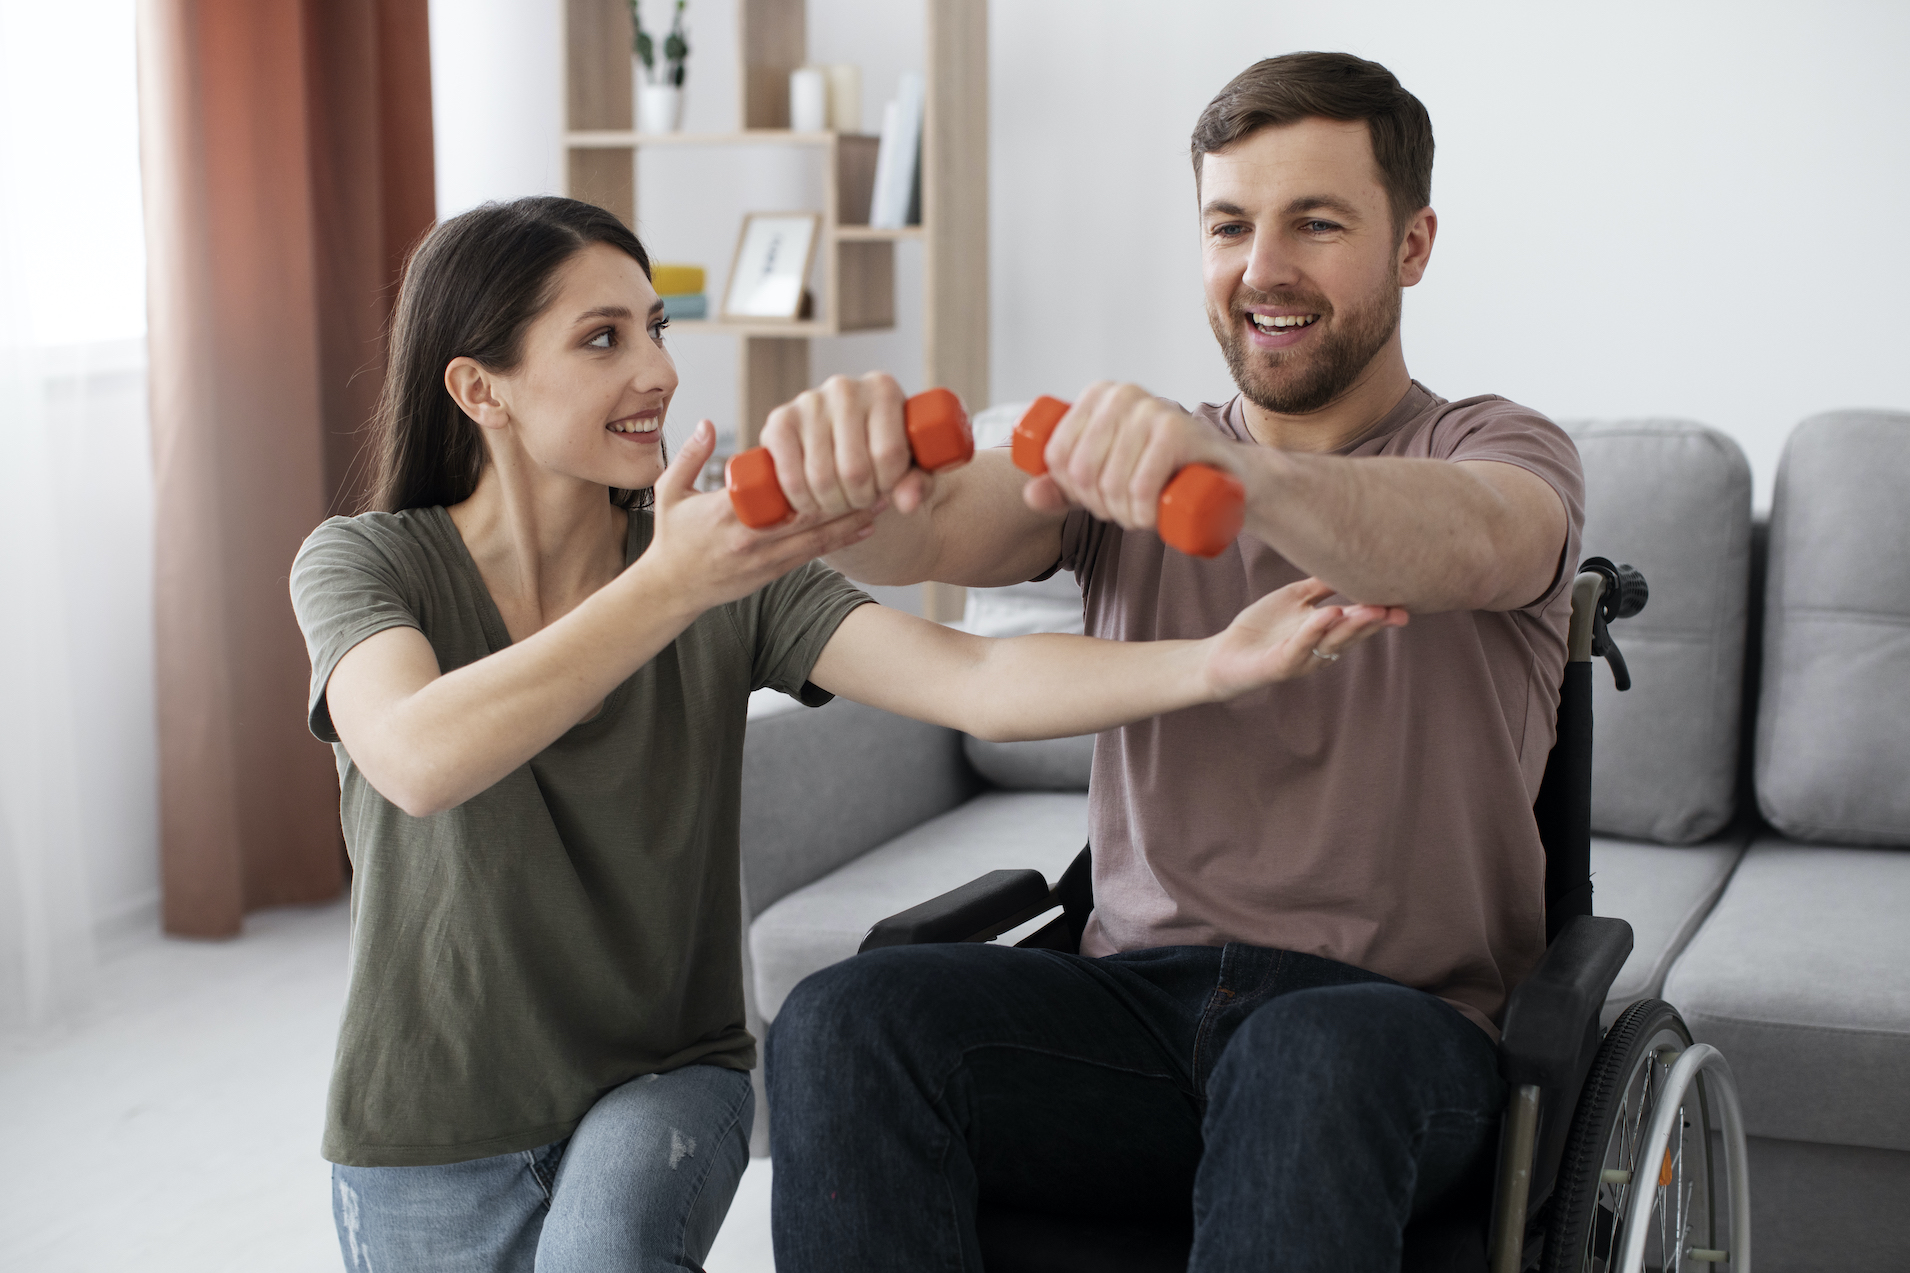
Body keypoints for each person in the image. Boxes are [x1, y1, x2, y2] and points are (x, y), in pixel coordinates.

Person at [288, 194, 1404, 1273]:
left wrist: (1212, 665)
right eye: (601, 339)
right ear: (480, 388)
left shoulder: (719, 555)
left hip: (662, 1076)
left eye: (655, 328)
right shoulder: (364, 562)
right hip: (425, 1120)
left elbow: (976, 675)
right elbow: (418, 759)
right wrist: (669, 587)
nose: (659, 371)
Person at [761, 52, 1586, 1269]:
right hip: (1133, 1017)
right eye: (1228, 225)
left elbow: (1467, 539)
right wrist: (841, 480)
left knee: (1304, 1057)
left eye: (1315, 222)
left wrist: (1241, 476)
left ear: (1410, 245)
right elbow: (934, 524)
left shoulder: (1502, 447)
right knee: (844, 1020)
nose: (1262, 269)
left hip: (1397, 1033)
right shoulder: (1123, 465)